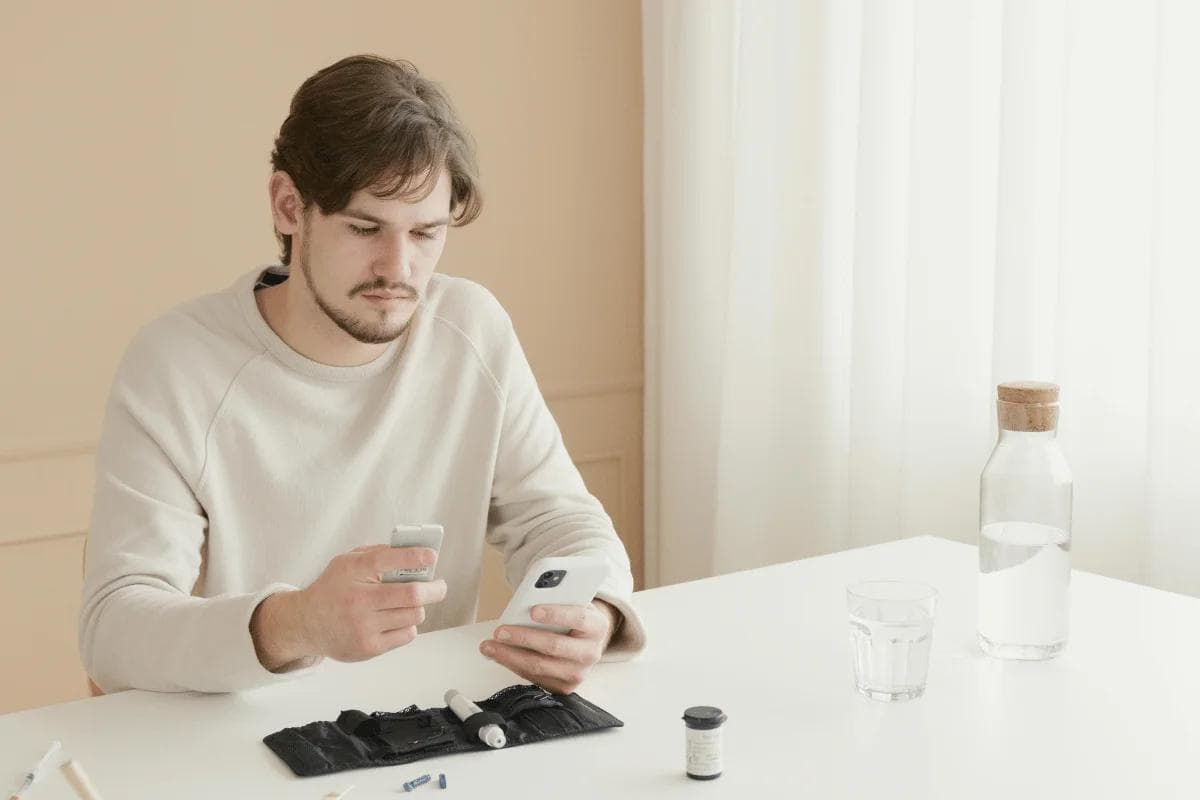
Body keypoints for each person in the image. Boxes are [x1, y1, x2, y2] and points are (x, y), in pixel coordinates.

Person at [78, 54, 645, 696]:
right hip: (231, 743)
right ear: (290, 207)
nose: (398, 269)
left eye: (426, 233)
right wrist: (295, 624)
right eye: (364, 228)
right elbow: (113, 629)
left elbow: (559, 519)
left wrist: (592, 607)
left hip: (429, 727)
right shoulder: (178, 365)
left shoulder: (471, 329)